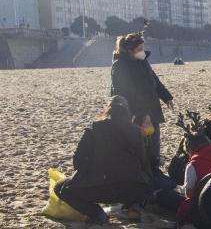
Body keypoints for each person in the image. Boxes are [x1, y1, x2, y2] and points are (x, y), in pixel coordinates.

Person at [54, 96, 152, 224]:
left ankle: (97, 213)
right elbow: (144, 162)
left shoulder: (94, 129)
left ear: (108, 110)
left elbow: (78, 161)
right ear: (127, 112)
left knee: (60, 187)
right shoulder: (136, 131)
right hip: (135, 187)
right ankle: (134, 207)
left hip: (102, 187)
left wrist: (88, 170)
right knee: (137, 178)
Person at [111, 32, 174, 161]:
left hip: (152, 110)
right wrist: (137, 114)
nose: (142, 52)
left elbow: (154, 80)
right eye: (139, 49)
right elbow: (120, 93)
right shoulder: (120, 66)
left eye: (143, 48)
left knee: (154, 142)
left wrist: (167, 97)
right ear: (130, 51)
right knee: (140, 146)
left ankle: (154, 167)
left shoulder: (143, 61)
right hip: (135, 115)